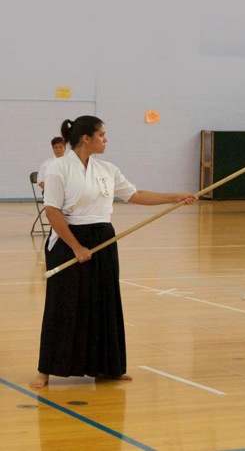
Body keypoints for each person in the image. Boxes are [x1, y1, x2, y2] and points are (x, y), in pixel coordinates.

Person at [30, 115, 197, 388]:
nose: (106, 140)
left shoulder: (106, 169)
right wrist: (76, 246)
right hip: (69, 240)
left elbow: (135, 194)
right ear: (87, 138)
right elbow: (52, 211)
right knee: (64, 304)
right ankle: (46, 369)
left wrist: (175, 196)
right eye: (102, 135)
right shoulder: (59, 169)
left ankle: (108, 367)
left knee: (104, 302)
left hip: (103, 238)